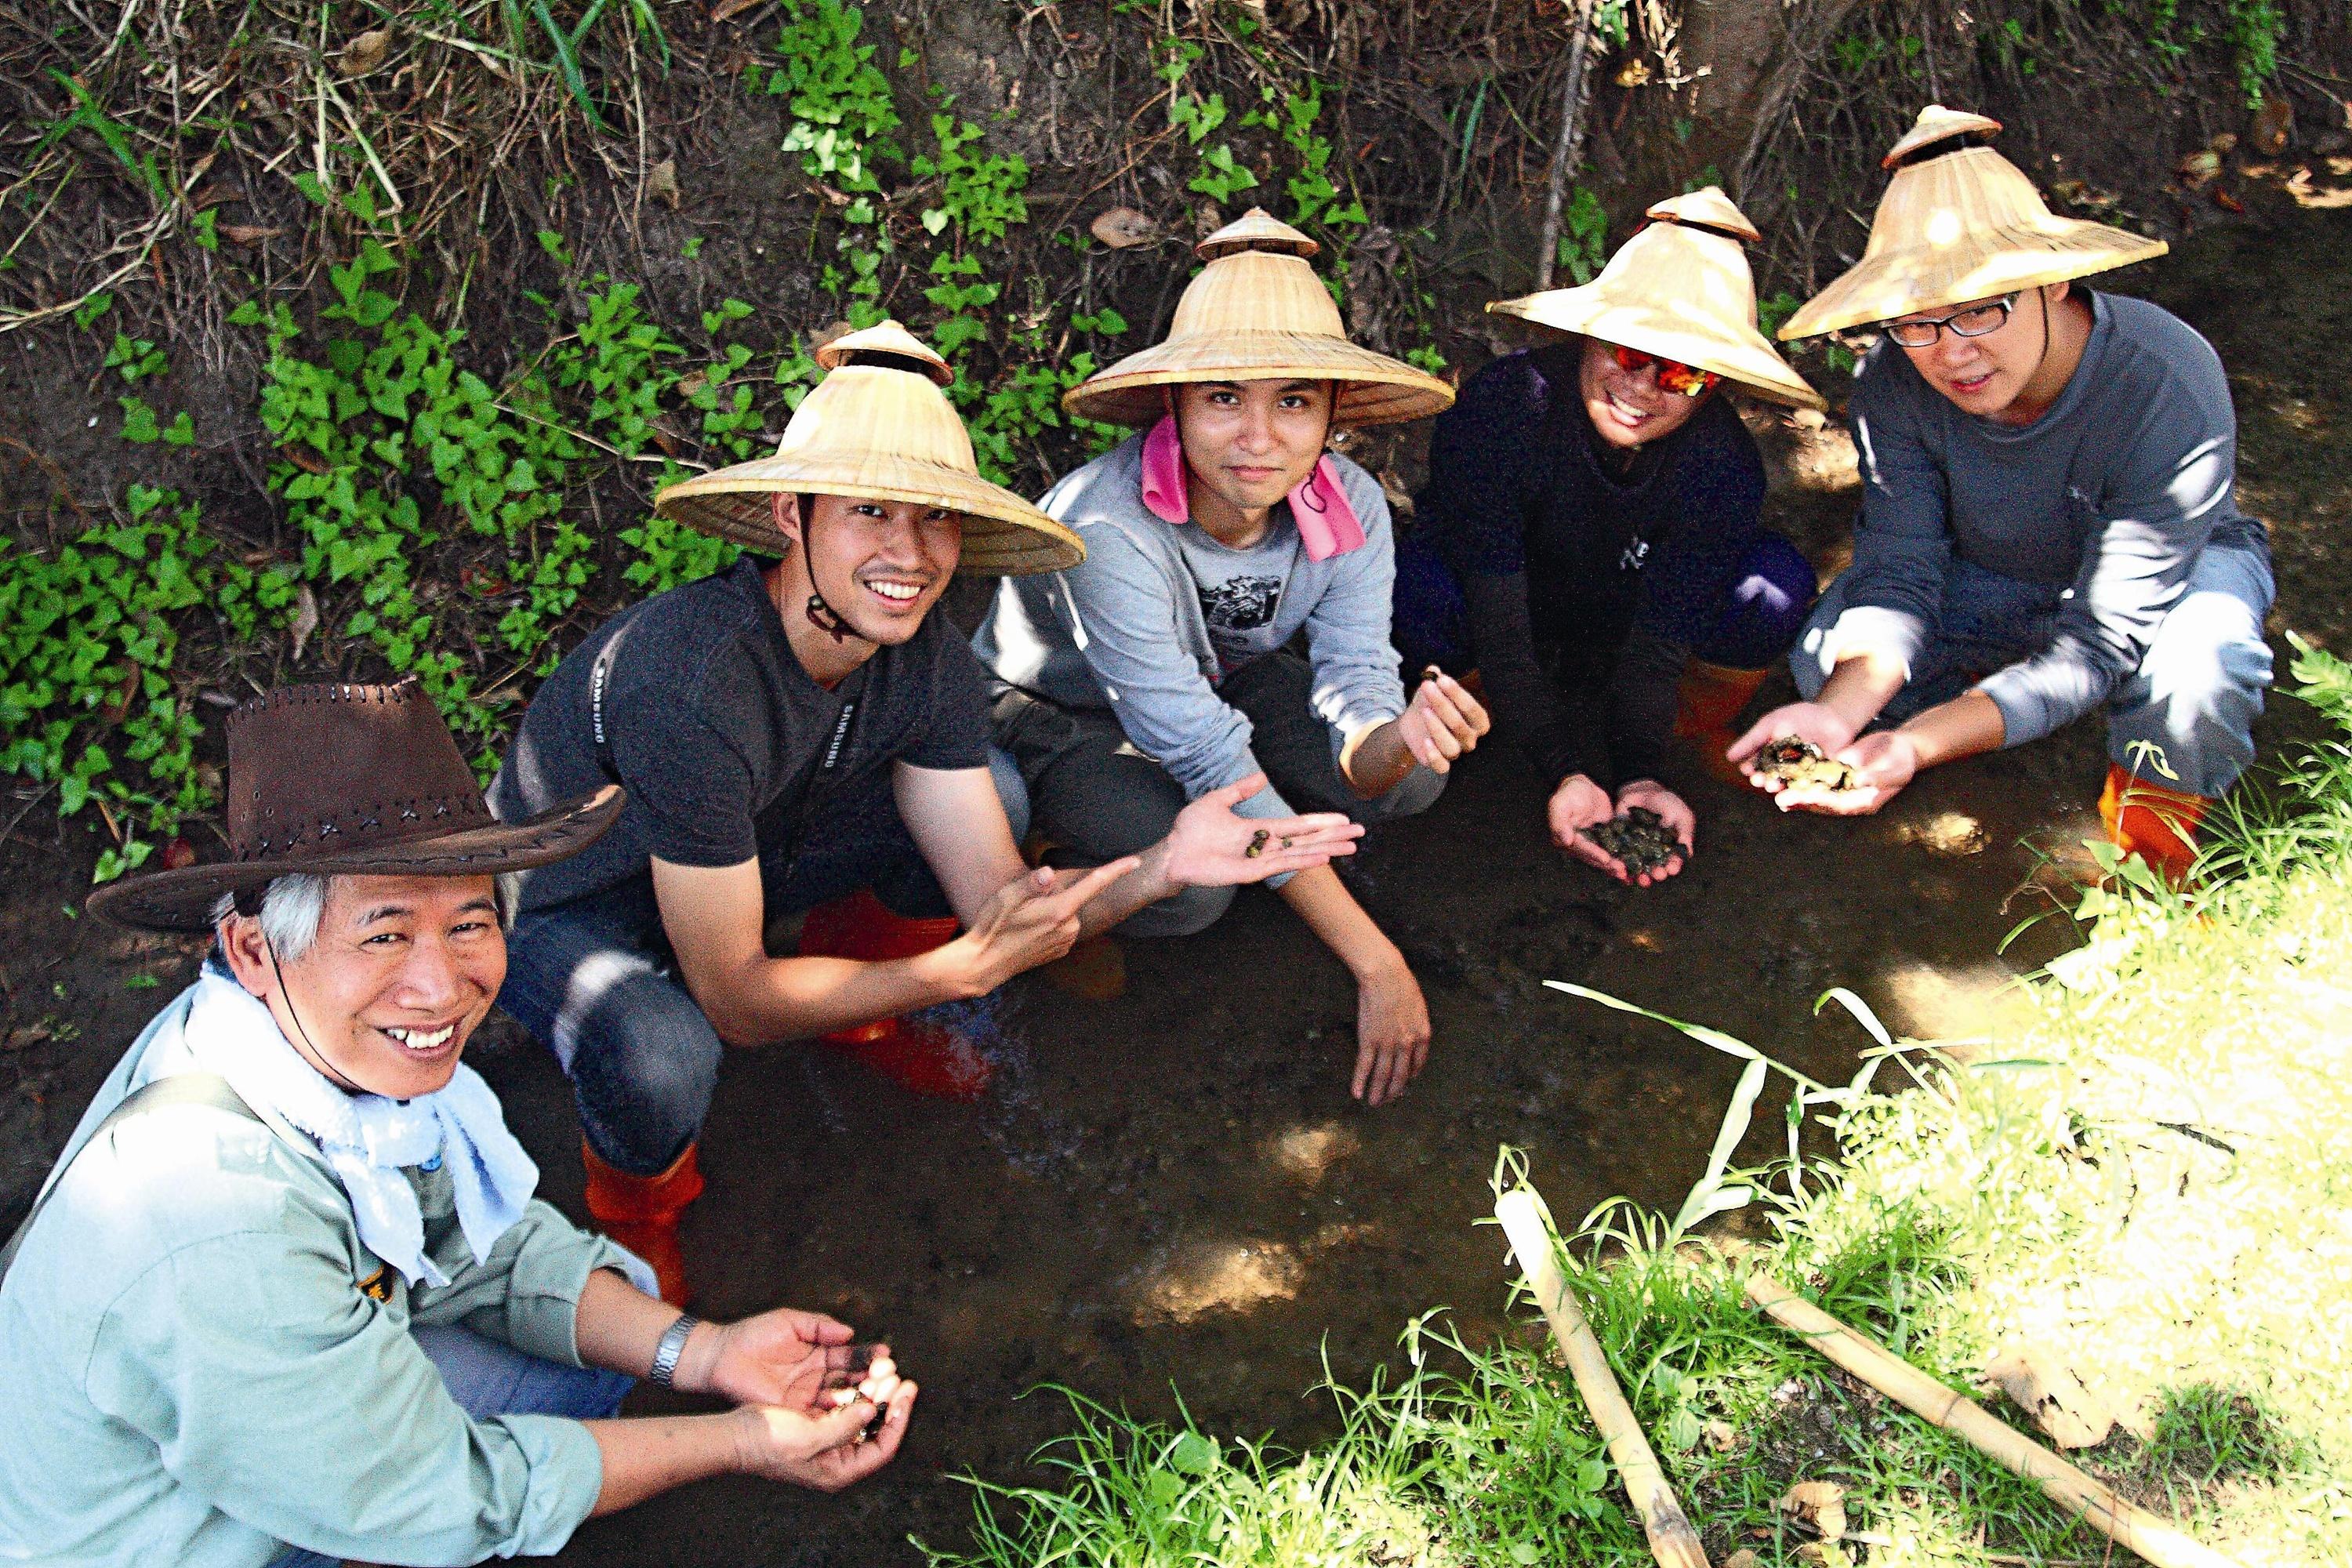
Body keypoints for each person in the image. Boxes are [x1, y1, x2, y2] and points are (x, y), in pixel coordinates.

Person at [490, 321, 1354, 1302]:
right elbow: (734, 998)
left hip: (751, 850)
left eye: (935, 519)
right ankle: (637, 1212)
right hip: (576, 898)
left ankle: (855, 1019)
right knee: (661, 1047)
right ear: (791, 514)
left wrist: (1167, 864)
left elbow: (1001, 903)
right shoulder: (693, 687)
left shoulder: (927, 657)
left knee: (1000, 790)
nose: (909, 553)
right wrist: (952, 971)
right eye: (868, 511)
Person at [1, 680, 916, 1568]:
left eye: (470, 922)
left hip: (259, 1404)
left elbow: (476, 1241)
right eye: (385, 933)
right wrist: (747, 1439)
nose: (441, 989)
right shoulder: (214, 1222)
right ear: (252, 948)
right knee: (463, 1490)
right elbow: (446, 1497)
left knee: (616, 1332)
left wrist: (710, 1353)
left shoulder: (320, 1056)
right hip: (159, 1539)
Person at [975, 209, 1486, 1109]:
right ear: (1173, 404)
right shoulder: (1110, 525)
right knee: (1190, 895)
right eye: (1223, 398)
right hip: (1061, 705)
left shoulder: (1353, 502)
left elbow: (1355, 680)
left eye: (1293, 400)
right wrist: (1378, 961)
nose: (1259, 437)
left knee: (1411, 781)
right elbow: (1208, 754)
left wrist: (1397, 731)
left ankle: (1286, 862)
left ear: (1331, 412)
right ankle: (1056, 875)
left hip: (1220, 675)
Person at [1737, 106, 2274, 884]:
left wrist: (1917, 745)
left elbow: (2100, 636)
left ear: (2054, 280)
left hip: (2170, 577)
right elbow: (1900, 571)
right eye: (1915, 323)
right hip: (1991, 570)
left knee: (2198, 678)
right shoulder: (1892, 381)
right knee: (1826, 663)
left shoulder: (2167, 380)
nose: (1951, 352)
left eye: (1983, 308)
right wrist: (1840, 717)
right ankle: (2014, 703)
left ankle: (2154, 854)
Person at [1399, 188, 1827, 884]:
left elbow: (1660, 646)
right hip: (1502, 604)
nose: (1645, 388)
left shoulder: (1722, 465)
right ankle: (1476, 734)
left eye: (1683, 373)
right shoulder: (1508, 408)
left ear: (1712, 388)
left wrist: (1641, 776)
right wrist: (1562, 768)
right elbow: (1497, 612)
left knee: (1773, 588)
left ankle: (1691, 737)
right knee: (1418, 590)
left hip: (1620, 618)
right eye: (1630, 355)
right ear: (1590, 336)